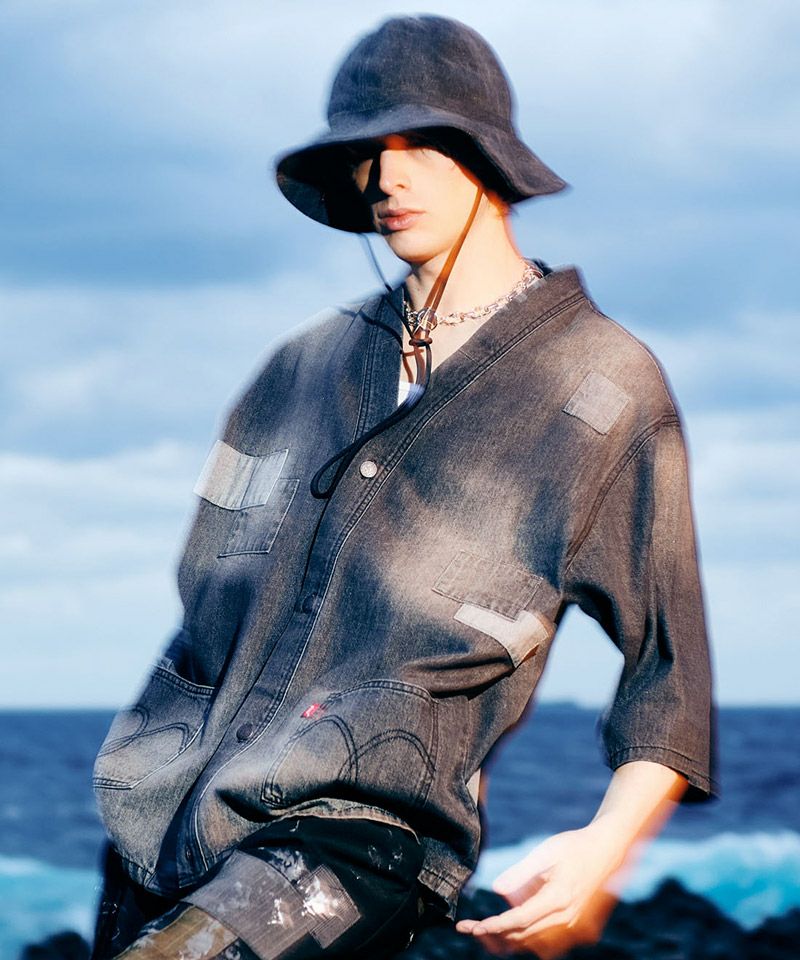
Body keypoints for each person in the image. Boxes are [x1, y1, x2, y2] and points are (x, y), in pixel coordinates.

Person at [89, 14, 718, 960]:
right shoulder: (298, 369)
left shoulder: (600, 388)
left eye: (419, 143)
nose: (386, 179)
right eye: (366, 154)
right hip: (166, 825)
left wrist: (604, 849)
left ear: (487, 155)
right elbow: (207, 609)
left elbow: (669, 665)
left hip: (360, 836)